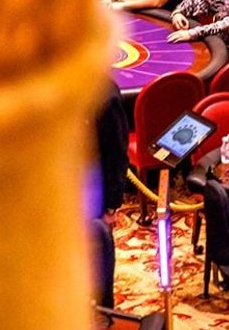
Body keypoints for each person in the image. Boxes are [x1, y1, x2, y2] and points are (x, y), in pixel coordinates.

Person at [90, 78, 128, 311]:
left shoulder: (105, 94)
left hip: (94, 199)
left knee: (99, 262)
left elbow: (116, 155)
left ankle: (106, 313)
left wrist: (111, 206)